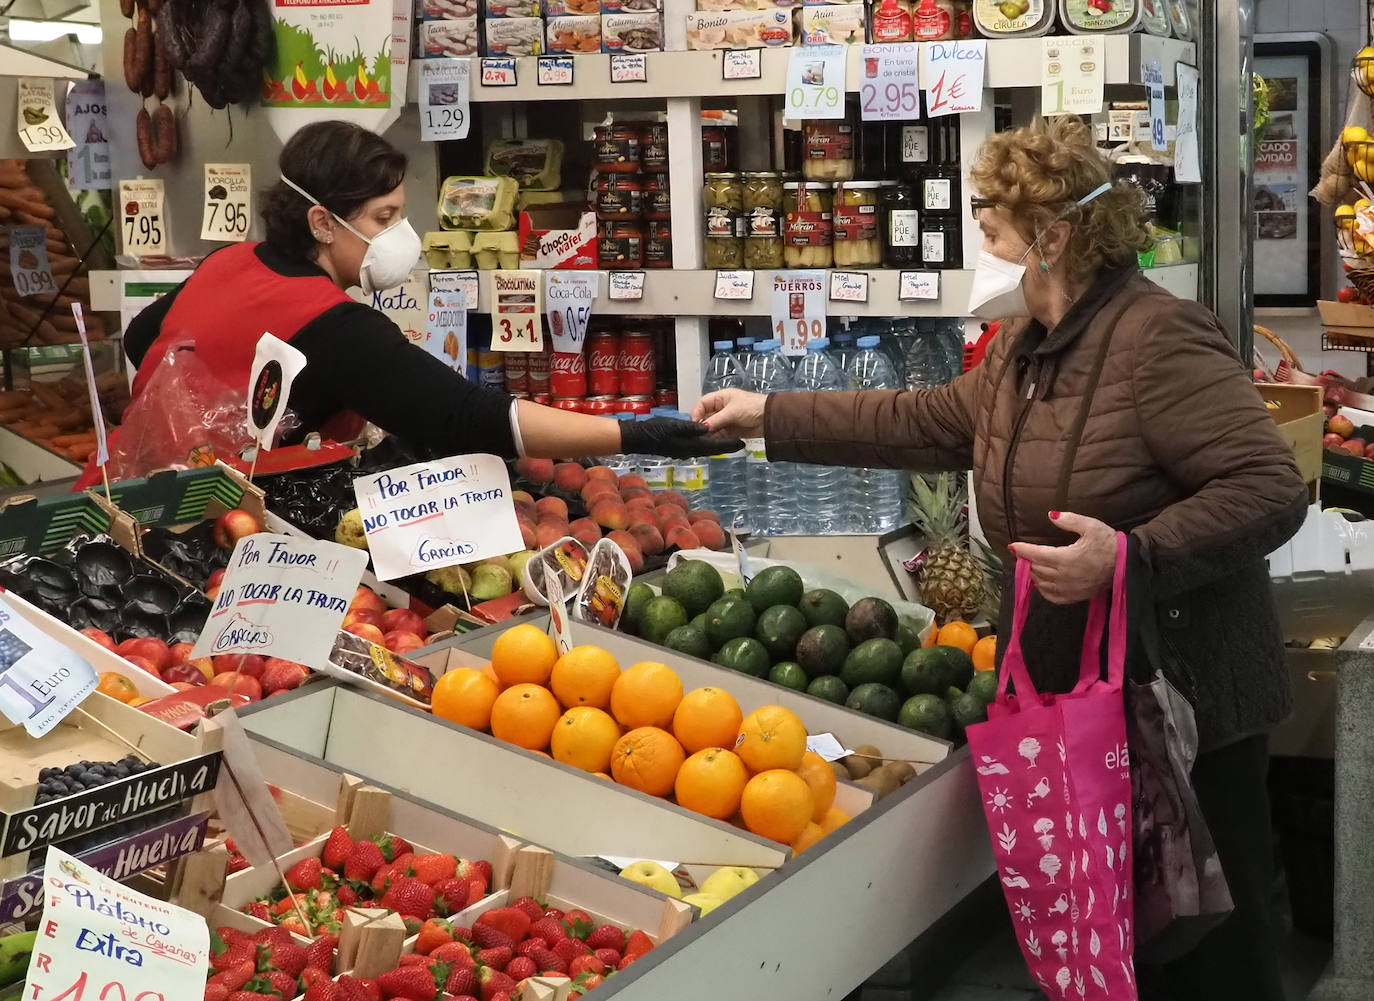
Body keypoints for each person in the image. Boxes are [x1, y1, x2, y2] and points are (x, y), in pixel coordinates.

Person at [695, 116, 1305, 1001]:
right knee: (1119, 940)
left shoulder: (1157, 339)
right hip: (1090, 705)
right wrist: (770, 415)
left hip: (1186, 705)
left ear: (1053, 237)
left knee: (1213, 951)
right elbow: (923, 421)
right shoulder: (1024, 349)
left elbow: (1269, 486)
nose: (976, 245)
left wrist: (1130, 554)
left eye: (988, 227)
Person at [117, 120, 736, 465]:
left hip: (134, 486)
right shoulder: (333, 327)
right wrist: (633, 434)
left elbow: (142, 337)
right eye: (383, 219)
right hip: (205, 525)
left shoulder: (230, 261)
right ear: (322, 223)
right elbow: (470, 415)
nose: (401, 236)